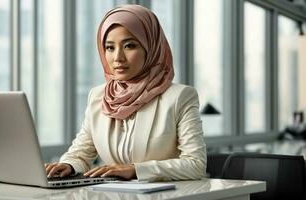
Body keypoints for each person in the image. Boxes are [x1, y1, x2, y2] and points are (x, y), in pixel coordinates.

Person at [45, 4, 206, 181]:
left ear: (150, 47)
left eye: (129, 46)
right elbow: (81, 153)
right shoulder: (99, 96)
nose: (117, 58)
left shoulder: (179, 97)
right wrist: (68, 165)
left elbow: (196, 164)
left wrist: (136, 170)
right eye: (109, 47)